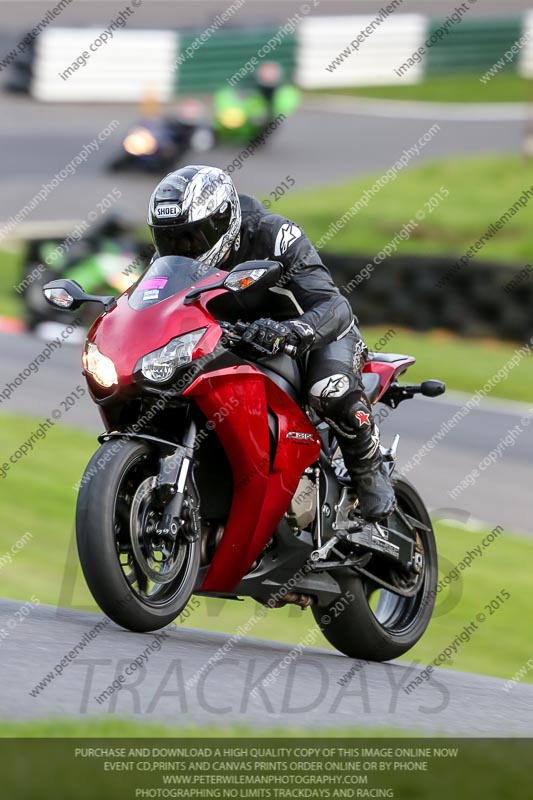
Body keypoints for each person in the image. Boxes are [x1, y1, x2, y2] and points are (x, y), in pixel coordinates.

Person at [146, 165, 395, 521]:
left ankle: (369, 470)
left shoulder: (274, 235)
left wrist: (293, 332)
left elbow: (332, 305)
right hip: (238, 341)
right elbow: (150, 309)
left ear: (223, 221)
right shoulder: (171, 262)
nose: (183, 248)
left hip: (315, 335)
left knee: (329, 390)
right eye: (171, 239)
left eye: (193, 237)